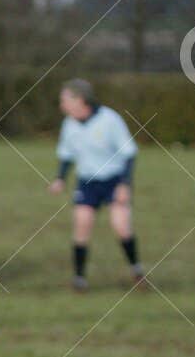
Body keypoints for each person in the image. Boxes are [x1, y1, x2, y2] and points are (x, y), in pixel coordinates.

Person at [49, 79, 144, 291]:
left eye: (65, 100)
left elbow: (129, 153)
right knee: (82, 225)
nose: (62, 105)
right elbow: (67, 155)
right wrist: (60, 179)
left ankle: (136, 270)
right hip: (87, 182)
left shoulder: (110, 119)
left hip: (113, 180)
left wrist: (124, 185)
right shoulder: (69, 124)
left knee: (121, 227)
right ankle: (79, 279)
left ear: (80, 100)